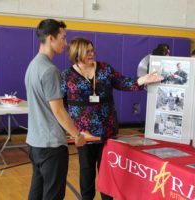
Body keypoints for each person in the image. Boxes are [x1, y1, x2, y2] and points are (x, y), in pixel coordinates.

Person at [61, 37, 163, 200]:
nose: (92, 53)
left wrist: (143, 79)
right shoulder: (67, 76)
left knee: (108, 173)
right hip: (84, 135)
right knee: (86, 172)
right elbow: (60, 104)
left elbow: (123, 82)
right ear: (76, 53)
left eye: (92, 50)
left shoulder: (105, 68)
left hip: (107, 130)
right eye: (87, 51)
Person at [25, 19, 86, 200]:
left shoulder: (32, 65)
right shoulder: (50, 70)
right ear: (51, 38)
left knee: (36, 192)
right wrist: (76, 134)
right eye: (63, 38)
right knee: (53, 195)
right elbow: (58, 110)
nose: (65, 43)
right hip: (50, 146)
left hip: (34, 143)